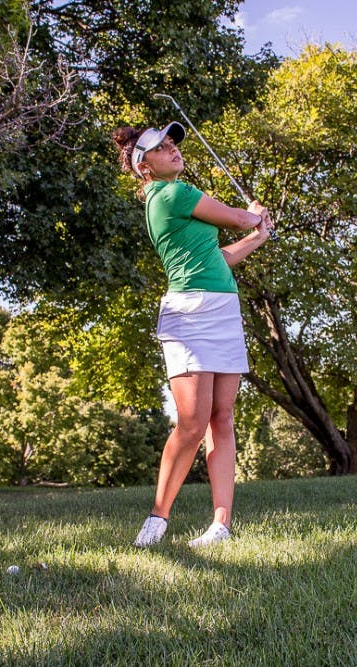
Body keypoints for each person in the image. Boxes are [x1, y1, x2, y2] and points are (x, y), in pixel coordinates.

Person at [112, 121, 274, 548]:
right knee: (192, 421)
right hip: (191, 313)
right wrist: (253, 215)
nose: (172, 150)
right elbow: (238, 218)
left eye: (171, 144)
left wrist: (258, 237)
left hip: (221, 307)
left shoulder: (176, 198)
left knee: (222, 417)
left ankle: (221, 525)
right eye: (161, 149)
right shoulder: (172, 194)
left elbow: (217, 257)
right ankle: (156, 520)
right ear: (143, 167)